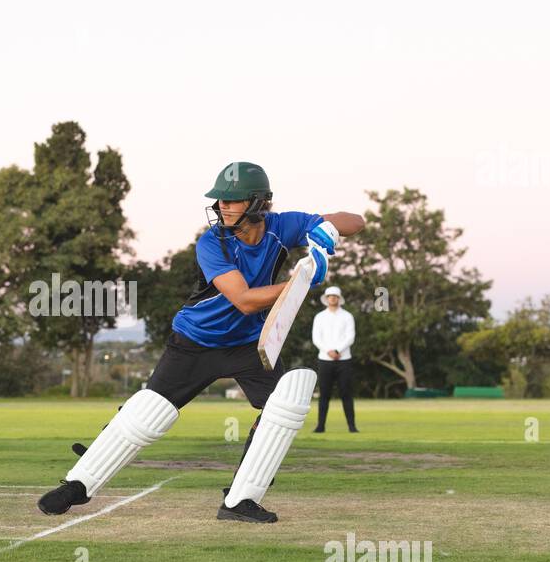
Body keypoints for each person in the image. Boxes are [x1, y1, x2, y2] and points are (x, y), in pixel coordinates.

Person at [37, 161, 364, 523]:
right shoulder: (211, 243)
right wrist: (303, 278)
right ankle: (77, 485)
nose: (222, 207)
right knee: (146, 414)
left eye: (232, 200)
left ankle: (241, 498)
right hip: (195, 341)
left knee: (282, 407)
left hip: (249, 345)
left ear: (257, 203)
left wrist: (328, 230)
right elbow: (244, 299)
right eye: (220, 201)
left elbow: (356, 221)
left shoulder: (282, 226)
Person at [311, 285, 358, 433]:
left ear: (339, 298)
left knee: (346, 394)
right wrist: (329, 351)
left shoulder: (347, 316)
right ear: (326, 299)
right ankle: (320, 426)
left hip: (344, 360)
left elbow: (350, 337)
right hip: (325, 360)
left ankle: (352, 426)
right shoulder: (319, 317)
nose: (332, 299)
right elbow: (316, 338)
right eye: (330, 296)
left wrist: (338, 350)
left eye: (335, 296)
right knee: (324, 394)